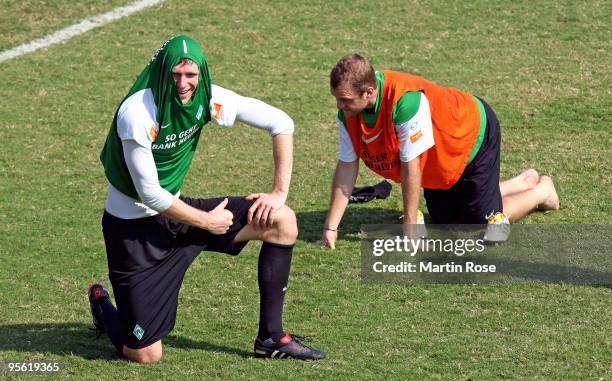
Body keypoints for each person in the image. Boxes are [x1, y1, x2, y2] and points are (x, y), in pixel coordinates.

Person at [89, 35, 325, 362]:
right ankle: (103, 306)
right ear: (161, 72)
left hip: (178, 215)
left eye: (191, 75)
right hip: (134, 235)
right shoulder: (137, 113)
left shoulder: (207, 96)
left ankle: (270, 338)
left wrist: (278, 193)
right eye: (175, 75)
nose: (184, 84)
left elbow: (281, 123)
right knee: (144, 354)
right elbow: (150, 194)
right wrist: (207, 221)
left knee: (282, 221)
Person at [322, 54, 559, 249]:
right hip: (440, 157)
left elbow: (411, 167)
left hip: (471, 133)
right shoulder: (349, 115)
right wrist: (330, 228)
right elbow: (346, 166)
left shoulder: (405, 101)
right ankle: (522, 181)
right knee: (446, 221)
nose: (339, 106)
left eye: (345, 100)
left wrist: (410, 229)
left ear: (369, 92)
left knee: (482, 224)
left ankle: (541, 191)